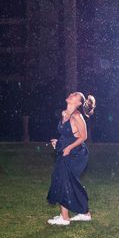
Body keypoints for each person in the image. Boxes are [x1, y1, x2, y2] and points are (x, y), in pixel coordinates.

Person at [47, 92, 96, 225]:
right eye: (72, 93)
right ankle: (81, 214)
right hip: (66, 151)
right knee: (64, 180)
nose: (71, 94)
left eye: (75, 95)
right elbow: (68, 134)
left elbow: (83, 137)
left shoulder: (76, 116)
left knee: (66, 180)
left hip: (77, 154)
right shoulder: (64, 114)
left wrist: (68, 148)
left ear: (79, 103)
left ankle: (66, 217)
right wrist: (58, 143)